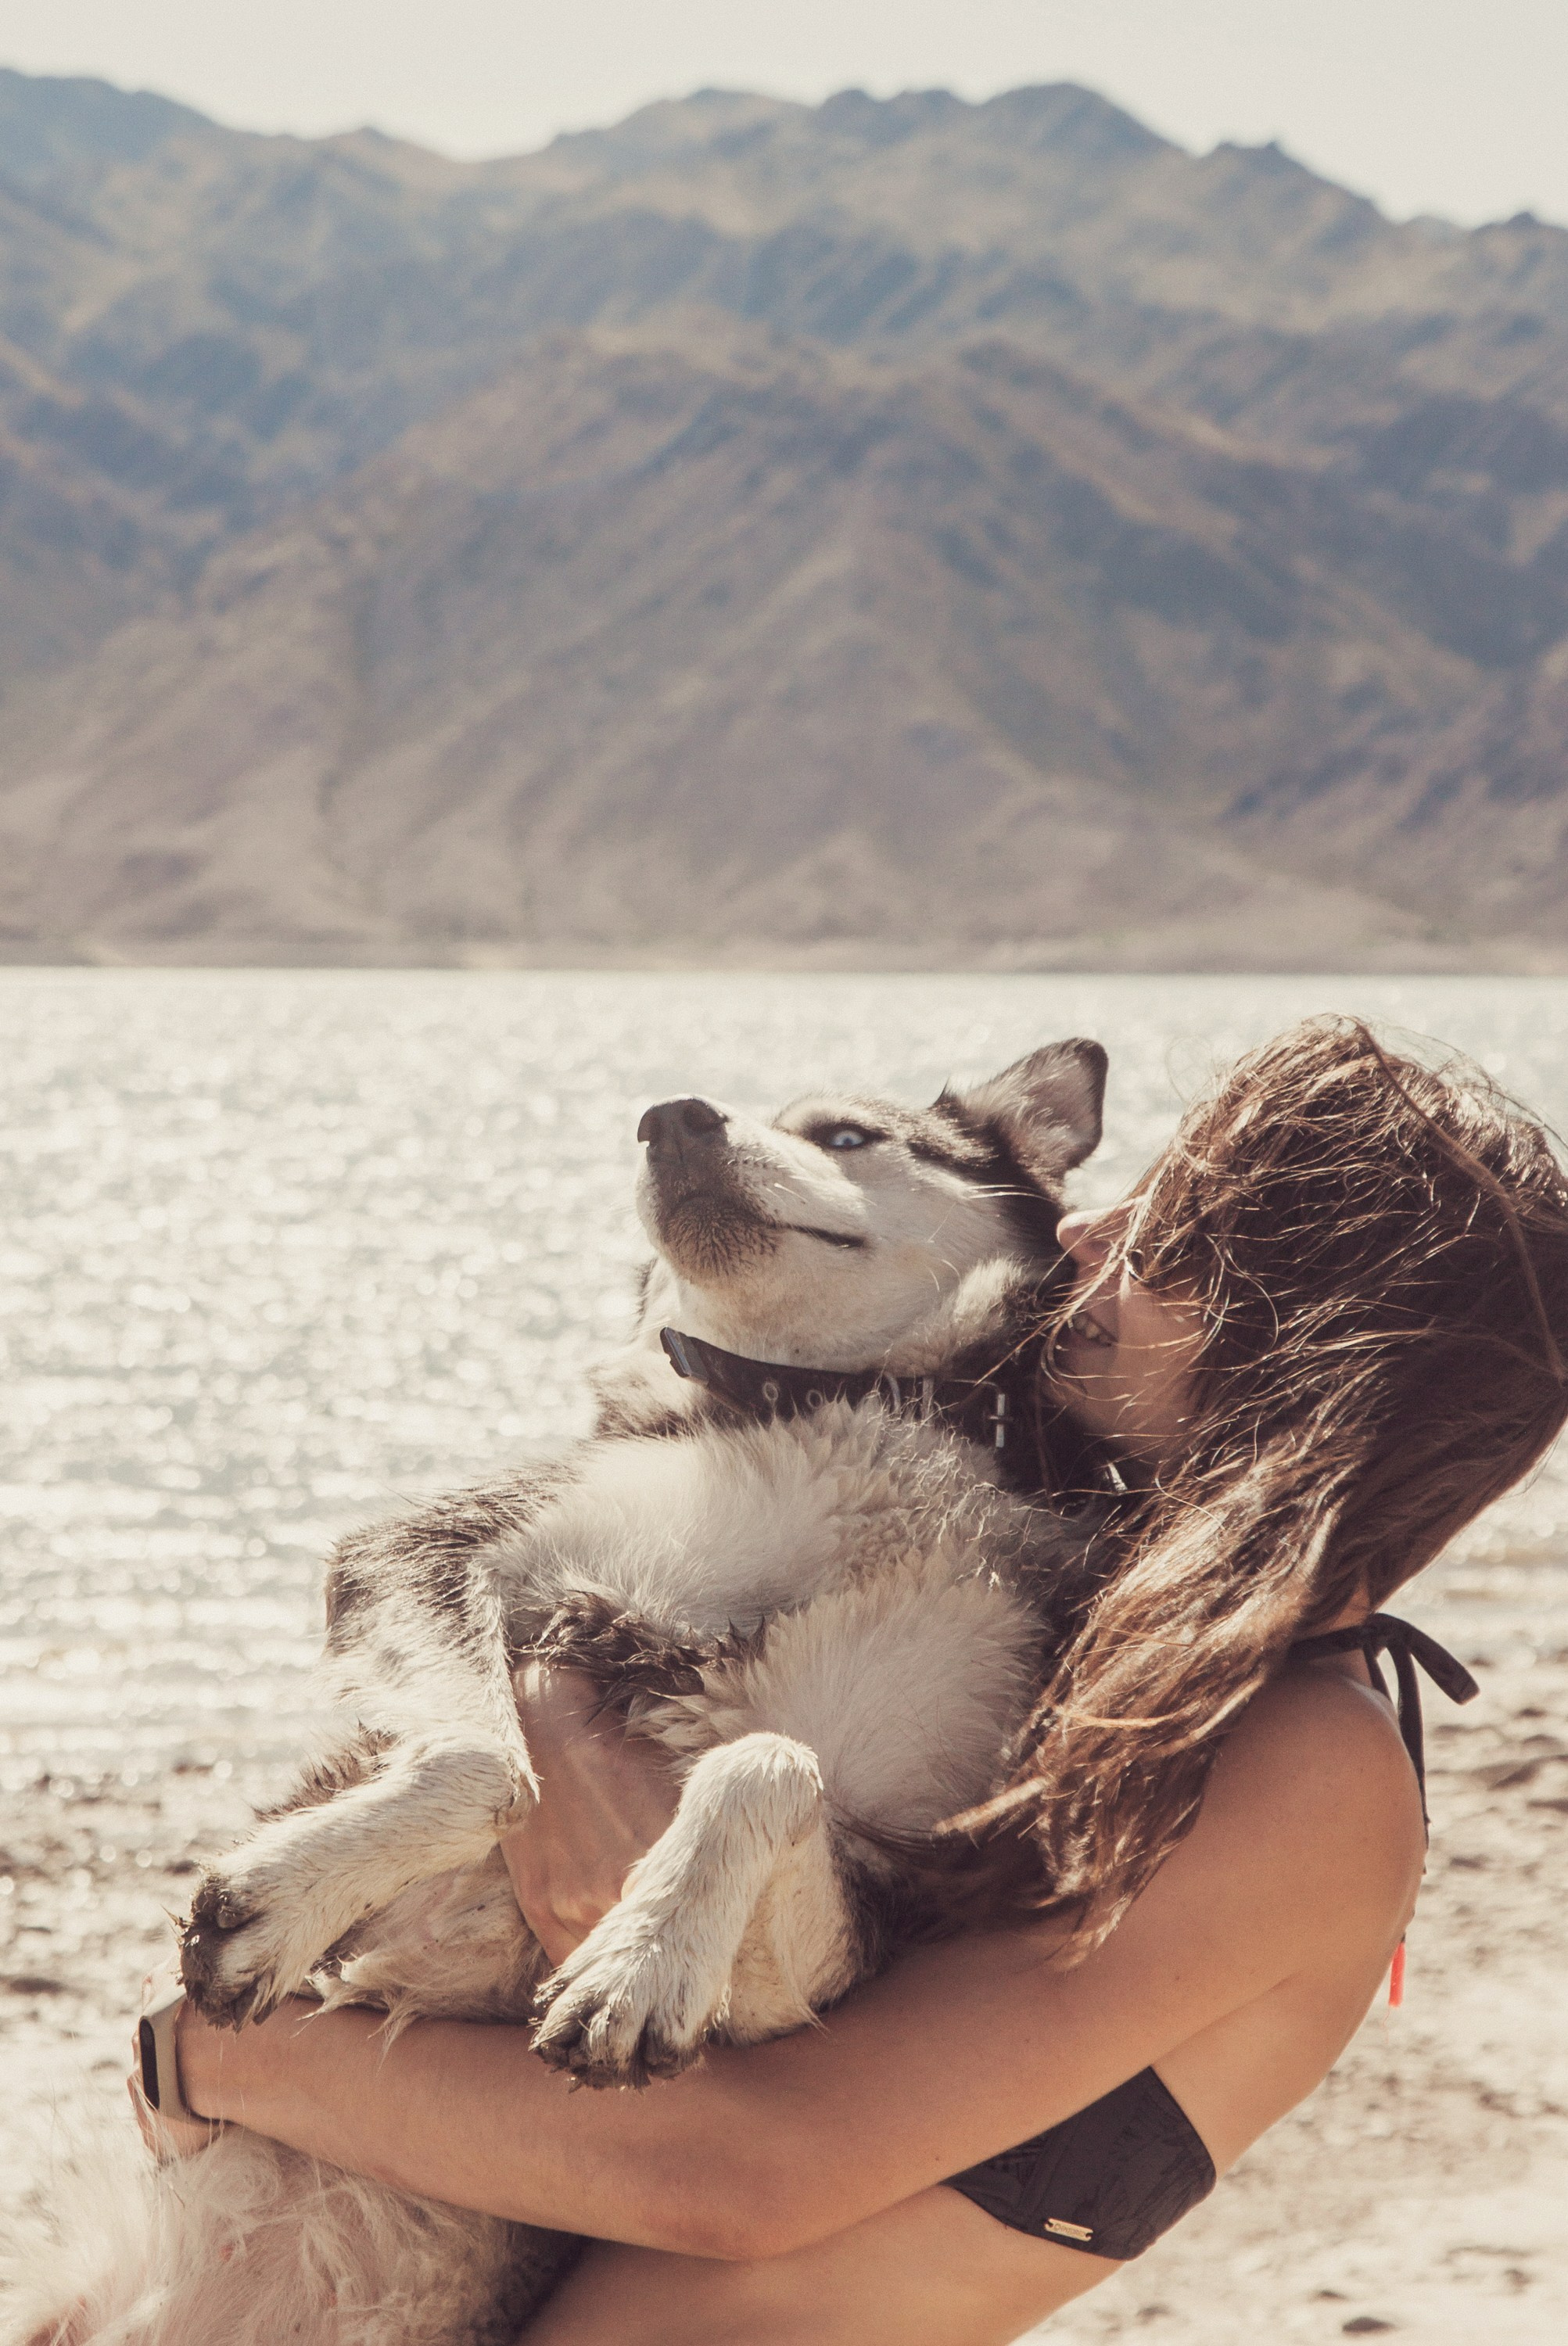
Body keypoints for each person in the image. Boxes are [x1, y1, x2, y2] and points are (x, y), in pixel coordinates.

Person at [135, 1016, 1568, 2345]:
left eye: (1176, 1236)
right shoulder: (1092, 1627)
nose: (1087, 1226)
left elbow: (755, 2174)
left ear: (1319, 1341)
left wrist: (233, 2063)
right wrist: (551, 1721)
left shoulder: (1312, 1764)